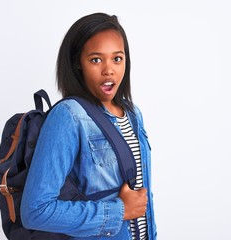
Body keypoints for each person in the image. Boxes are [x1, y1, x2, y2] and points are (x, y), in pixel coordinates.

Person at [20, 12, 157, 240]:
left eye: (117, 58)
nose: (109, 70)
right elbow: (36, 211)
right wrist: (119, 210)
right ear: (77, 64)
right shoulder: (69, 116)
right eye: (96, 59)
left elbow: (142, 202)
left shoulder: (133, 113)